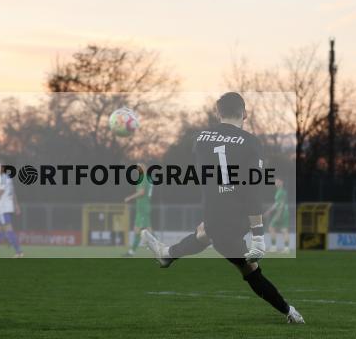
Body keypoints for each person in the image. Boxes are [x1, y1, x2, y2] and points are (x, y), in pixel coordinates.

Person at [142, 92, 304, 324]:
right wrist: (258, 235)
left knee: (207, 235)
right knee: (248, 268)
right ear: (245, 113)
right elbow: (252, 189)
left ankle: (167, 255)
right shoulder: (251, 142)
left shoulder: (200, 139)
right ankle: (289, 312)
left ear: (218, 112)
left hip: (214, 211)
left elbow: (203, 176)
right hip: (234, 218)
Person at [123, 163, 153, 256]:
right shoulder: (147, 178)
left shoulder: (144, 178)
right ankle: (132, 251)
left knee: (141, 229)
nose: (138, 169)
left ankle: (163, 250)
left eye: (139, 167)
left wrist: (130, 198)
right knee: (143, 230)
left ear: (144, 168)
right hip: (142, 208)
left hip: (143, 208)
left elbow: (142, 192)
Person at [265, 178, 291, 254]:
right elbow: (276, 204)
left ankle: (274, 247)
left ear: (282, 182)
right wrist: (269, 211)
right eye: (275, 182)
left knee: (272, 227)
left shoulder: (282, 192)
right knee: (283, 230)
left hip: (282, 213)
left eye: (278, 181)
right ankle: (286, 249)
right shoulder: (279, 192)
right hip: (284, 212)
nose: (276, 183)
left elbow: (282, 204)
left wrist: (278, 214)